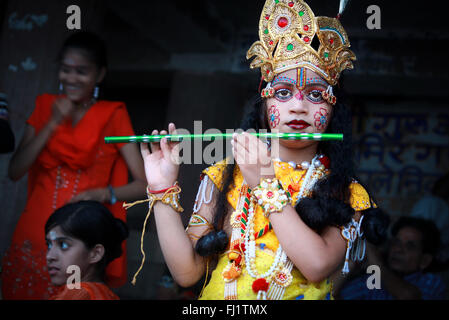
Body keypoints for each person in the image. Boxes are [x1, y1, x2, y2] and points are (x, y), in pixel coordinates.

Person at [136, 0, 389, 300]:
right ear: (265, 105)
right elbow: (187, 273)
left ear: (334, 110)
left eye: (315, 94)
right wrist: (162, 189)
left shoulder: (348, 193)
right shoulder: (224, 176)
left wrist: (265, 184)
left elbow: (317, 264)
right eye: (282, 93)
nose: (298, 106)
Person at [2, 31, 147, 299]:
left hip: (82, 237)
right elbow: (15, 170)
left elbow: (144, 185)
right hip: (33, 233)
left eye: (81, 71)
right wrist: (52, 123)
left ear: (99, 75)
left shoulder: (112, 114)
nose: (71, 78)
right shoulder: (45, 106)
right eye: (66, 70)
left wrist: (102, 194)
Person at [335, 216, 446, 300]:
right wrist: (352, 263)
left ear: (424, 261)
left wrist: (377, 263)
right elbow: (332, 295)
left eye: (410, 246)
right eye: (396, 242)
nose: (398, 249)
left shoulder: (432, 282)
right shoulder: (373, 280)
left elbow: (408, 297)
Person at [45, 201, 127, 300]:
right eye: (49, 245)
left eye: (63, 245)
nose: (49, 256)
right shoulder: (107, 295)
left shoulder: (76, 295)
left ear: (95, 254)